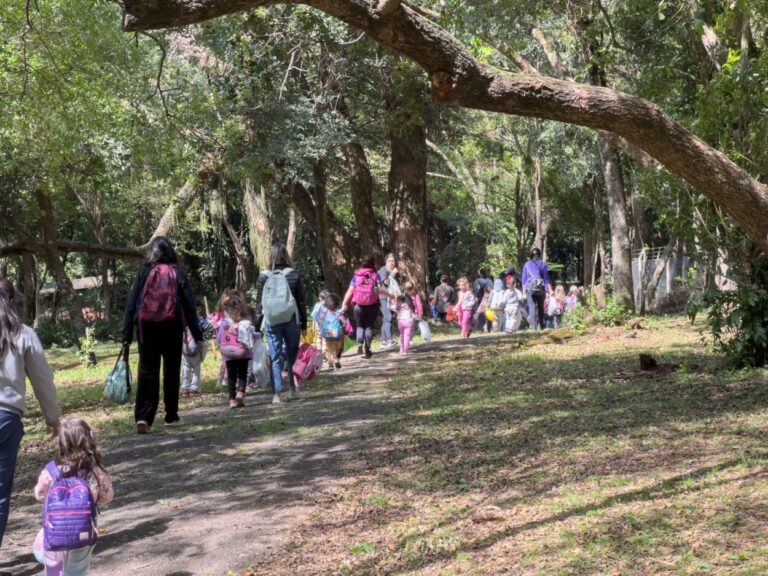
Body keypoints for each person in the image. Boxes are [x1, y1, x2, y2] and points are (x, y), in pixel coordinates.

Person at [0, 279, 60, 548]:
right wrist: (53, 420)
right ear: (12, 301)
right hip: (6, 419)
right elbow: (43, 381)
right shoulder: (22, 334)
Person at [123, 236, 203, 433]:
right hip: (172, 327)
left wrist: (126, 335)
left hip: (146, 329)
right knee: (171, 370)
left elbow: (131, 305)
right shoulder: (178, 273)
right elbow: (190, 306)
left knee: (147, 371)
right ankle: (171, 416)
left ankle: (143, 418)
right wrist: (198, 334)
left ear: (152, 253)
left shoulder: (143, 272)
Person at [32, 418, 113, 576]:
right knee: (77, 570)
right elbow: (107, 496)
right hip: (83, 529)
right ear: (89, 440)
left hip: (54, 528)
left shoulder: (51, 471)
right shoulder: (95, 472)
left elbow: (39, 494)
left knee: (53, 569)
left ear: (60, 444)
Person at [253, 242, 307, 403]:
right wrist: (304, 323)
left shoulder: (263, 276)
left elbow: (259, 303)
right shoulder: (293, 274)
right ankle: (293, 389)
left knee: (275, 356)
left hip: (271, 321)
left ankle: (277, 394)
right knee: (292, 355)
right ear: (286, 255)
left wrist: (257, 326)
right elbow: (300, 301)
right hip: (291, 319)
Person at [342, 255, 390, 359]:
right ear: (373, 263)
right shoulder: (375, 275)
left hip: (358, 305)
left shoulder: (357, 275)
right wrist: (389, 295)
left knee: (359, 326)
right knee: (369, 327)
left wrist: (344, 303)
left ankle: (359, 344)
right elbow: (379, 290)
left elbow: (350, 290)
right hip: (372, 305)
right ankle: (367, 349)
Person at [217, 293, 254, 409]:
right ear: (241, 309)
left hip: (229, 354)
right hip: (243, 354)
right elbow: (252, 336)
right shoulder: (246, 323)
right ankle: (241, 392)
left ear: (227, 310)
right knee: (242, 374)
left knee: (231, 377)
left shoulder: (224, 323)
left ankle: (232, 400)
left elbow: (219, 338)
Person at [181, 309, 215, 398]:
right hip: (197, 349)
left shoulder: (183, 320)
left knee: (186, 368)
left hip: (185, 349)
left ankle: (185, 389)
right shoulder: (201, 321)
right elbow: (211, 329)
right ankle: (194, 388)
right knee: (196, 368)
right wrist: (203, 339)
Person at [521, 247, 551, 330]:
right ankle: (541, 325)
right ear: (539, 255)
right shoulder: (543, 264)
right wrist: (548, 291)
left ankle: (533, 326)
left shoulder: (526, 265)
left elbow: (524, 279)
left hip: (529, 288)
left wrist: (524, 292)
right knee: (541, 306)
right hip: (541, 288)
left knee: (532, 306)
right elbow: (546, 279)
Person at [313, 293, 345, 369]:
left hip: (328, 333)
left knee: (329, 349)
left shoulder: (324, 313)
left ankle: (331, 363)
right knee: (336, 348)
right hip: (338, 334)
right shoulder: (338, 313)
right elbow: (344, 322)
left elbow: (316, 318)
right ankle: (335, 358)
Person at [378, 254, 398, 349]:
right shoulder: (383, 270)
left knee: (386, 319)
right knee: (388, 317)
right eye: (390, 260)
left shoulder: (389, 271)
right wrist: (393, 274)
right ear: (386, 261)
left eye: (393, 261)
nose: (392, 262)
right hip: (383, 297)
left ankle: (383, 341)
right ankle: (389, 340)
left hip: (389, 297)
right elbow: (385, 283)